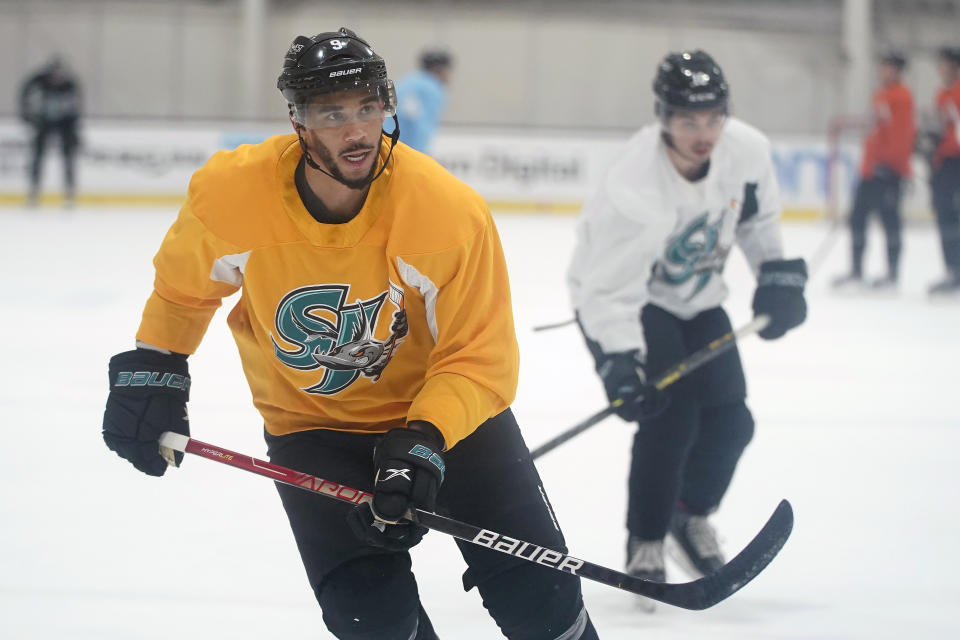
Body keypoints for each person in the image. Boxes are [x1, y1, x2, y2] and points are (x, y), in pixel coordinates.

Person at [100, 28, 598, 640]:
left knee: (540, 600)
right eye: (332, 113)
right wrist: (156, 366)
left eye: (367, 107)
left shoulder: (444, 212)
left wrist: (425, 436)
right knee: (370, 619)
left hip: (447, 422)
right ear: (299, 123)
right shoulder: (235, 195)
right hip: (312, 425)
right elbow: (183, 288)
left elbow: (478, 356)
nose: (355, 129)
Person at [566, 50, 807, 610]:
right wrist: (619, 360)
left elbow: (756, 219)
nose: (704, 134)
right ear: (663, 118)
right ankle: (645, 538)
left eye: (713, 118)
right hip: (628, 301)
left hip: (699, 298)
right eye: (688, 121)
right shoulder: (635, 185)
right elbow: (609, 290)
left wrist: (775, 274)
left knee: (732, 422)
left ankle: (687, 515)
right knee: (668, 420)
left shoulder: (746, 151)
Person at [832, 51, 915, 291]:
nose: (885, 71)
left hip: (890, 170)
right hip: (871, 169)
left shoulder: (902, 97)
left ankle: (892, 275)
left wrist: (891, 163)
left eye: (890, 67)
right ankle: (856, 271)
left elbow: (902, 135)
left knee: (890, 220)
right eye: (884, 66)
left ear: (898, 71)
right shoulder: (881, 95)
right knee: (858, 217)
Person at [18, 55, 82, 207]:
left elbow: (76, 108)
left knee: (68, 158)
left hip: (64, 124)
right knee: (37, 157)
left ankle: (69, 192)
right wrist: (27, 116)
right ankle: (34, 191)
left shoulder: (70, 84)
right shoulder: (38, 81)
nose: (56, 78)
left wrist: (74, 128)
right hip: (44, 122)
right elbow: (24, 94)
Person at [926, 46, 960, 295]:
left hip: (955, 160)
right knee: (945, 213)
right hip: (945, 162)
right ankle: (953, 269)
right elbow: (942, 129)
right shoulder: (942, 94)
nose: (940, 68)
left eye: (944, 63)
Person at [382, 48, 453, 153]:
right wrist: (420, 156)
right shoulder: (433, 88)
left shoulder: (407, 81)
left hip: (385, 143)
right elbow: (422, 126)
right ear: (441, 69)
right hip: (404, 150)